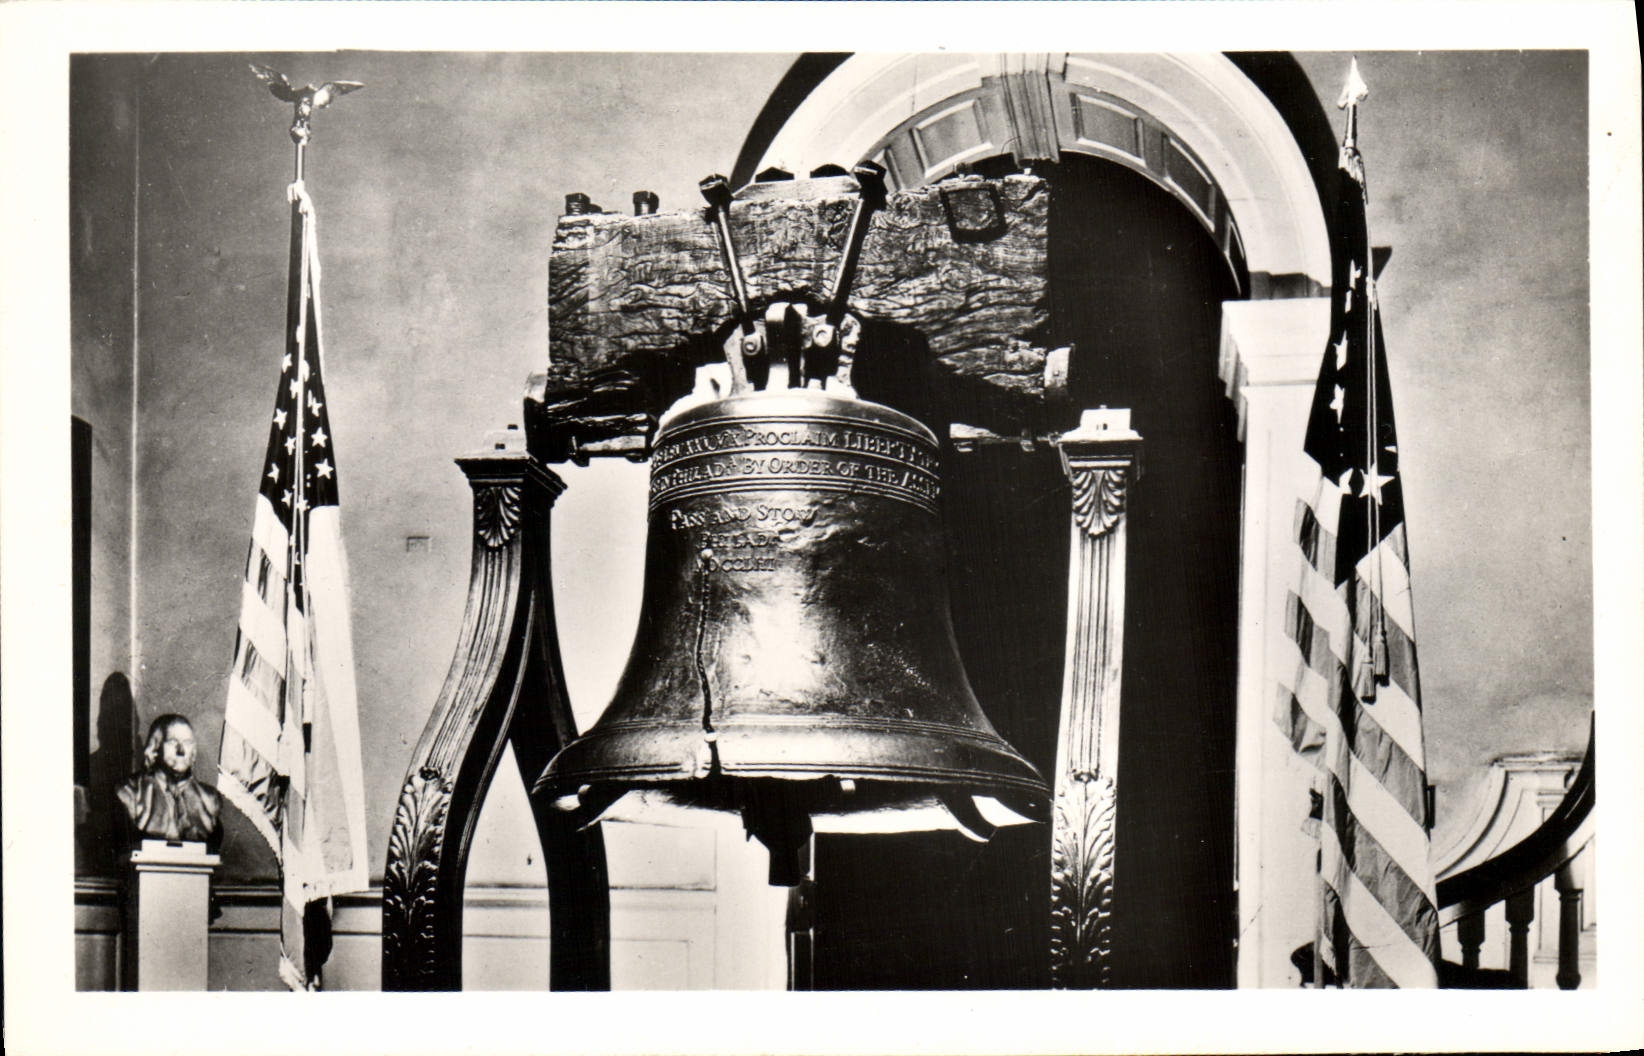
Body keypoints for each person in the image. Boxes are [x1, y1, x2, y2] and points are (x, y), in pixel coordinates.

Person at [114, 714, 223, 852]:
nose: (181, 751)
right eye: (172, 742)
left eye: (188, 743)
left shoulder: (210, 798)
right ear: (155, 747)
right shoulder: (130, 791)